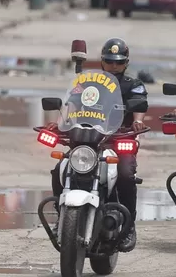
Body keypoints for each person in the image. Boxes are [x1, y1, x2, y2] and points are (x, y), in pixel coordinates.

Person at [46, 38, 148, 252]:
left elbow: (139, 107)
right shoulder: (87, 83)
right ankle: (61, 216)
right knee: (59, 170)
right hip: (85, 137)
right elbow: (71, 103)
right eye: (109, 61)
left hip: (117, 139)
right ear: (102, 61)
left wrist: (137, 121)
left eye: (118, 62)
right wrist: (58, 124)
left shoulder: (133, 85)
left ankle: (129, 227)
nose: (113, 66)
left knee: (126, 174)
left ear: (126, 63)